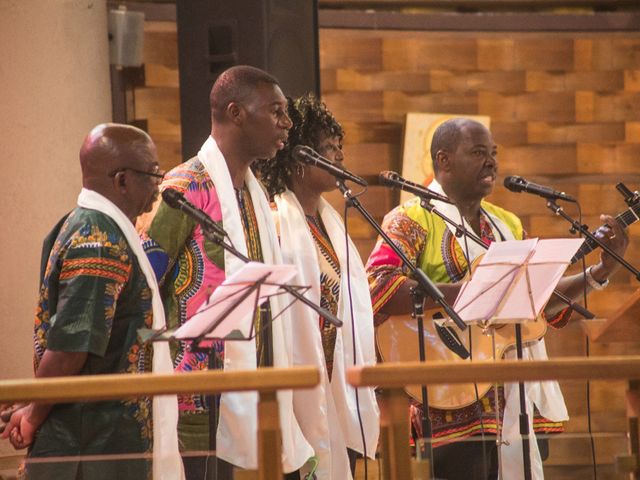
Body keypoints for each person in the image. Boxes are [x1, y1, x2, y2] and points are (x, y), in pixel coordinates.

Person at [365, 117, 629, 479]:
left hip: (514, 400)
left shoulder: (508, 225)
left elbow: (537, 302)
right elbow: (377, 287)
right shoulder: (409, 219)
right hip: (445, 401)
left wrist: (601, 270)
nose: (491, 162)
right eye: (478, 153)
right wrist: (473, 294)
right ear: (443, 161)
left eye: (493, 153)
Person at [140, 66, 313, 479]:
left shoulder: (254, 194)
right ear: (236, 113)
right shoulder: (186, 187)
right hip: (197, 406)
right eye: (275, 111)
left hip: (258, 396)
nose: (286, 123)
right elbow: (143, 284)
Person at [0, 123, 183, 479]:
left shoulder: (85, 224)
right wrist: (34, 415)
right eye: (152, 174)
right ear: (122, 181)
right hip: (95, 447)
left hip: (99, 438)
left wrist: (31, 405)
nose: (158, 186)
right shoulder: (99, 241)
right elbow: (71, 347)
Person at [253, 93, 380, 479]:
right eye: (329, 149)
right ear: (299, 159)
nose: (340, 158)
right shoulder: (276, 223)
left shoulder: (332, 224)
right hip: (297, 393)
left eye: (340, 148)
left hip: (340, 390)